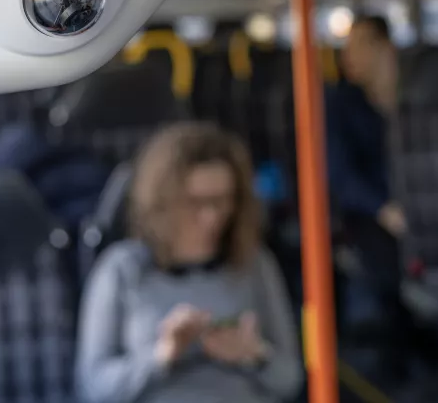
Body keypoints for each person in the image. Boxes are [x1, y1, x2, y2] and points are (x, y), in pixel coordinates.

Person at [75, 122, 303, 403]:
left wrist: (254, 355)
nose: (210, 216)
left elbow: (291, 379)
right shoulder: (122, 269)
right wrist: (161, 355)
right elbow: (92, 387)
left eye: (222, 201)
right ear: (164, 200)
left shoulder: (255, 263)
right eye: (195, 203)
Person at [324, 14, 412, 381]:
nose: (348, 57)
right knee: (387, 265)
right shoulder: (339, 104)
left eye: (358, 46)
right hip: (368, 213)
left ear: (384, 49)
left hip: (426, 206)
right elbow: (340, 175)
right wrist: (383, 208)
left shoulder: (413, 97)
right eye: (346, 48)